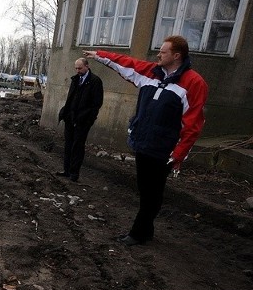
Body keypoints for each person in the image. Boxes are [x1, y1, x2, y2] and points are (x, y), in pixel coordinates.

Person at [83, 35, 208, 246]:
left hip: (164, 150)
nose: (158, 54)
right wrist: (101, 56)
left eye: (163, 51)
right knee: (144, 188)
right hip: (143, 143)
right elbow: (125, 63)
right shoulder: (151, 72)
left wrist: (179, 154)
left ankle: (138, 233)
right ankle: (146, 230)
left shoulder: (194, 83)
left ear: (177, 56)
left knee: (153, 192)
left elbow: (193, 124)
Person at [57, 57, 104, 182]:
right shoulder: (75, 80)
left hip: (83, 121)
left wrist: (89, 119)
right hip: (70, 118)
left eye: (80, 68)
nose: (78, 70)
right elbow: (70, 98)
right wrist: (65, 113)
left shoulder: (95, 81)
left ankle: (74, 173)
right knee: (68, 144)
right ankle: (66, 170)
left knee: (77, 146)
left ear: (87, 66)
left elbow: (97, 103)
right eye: (76, 68)